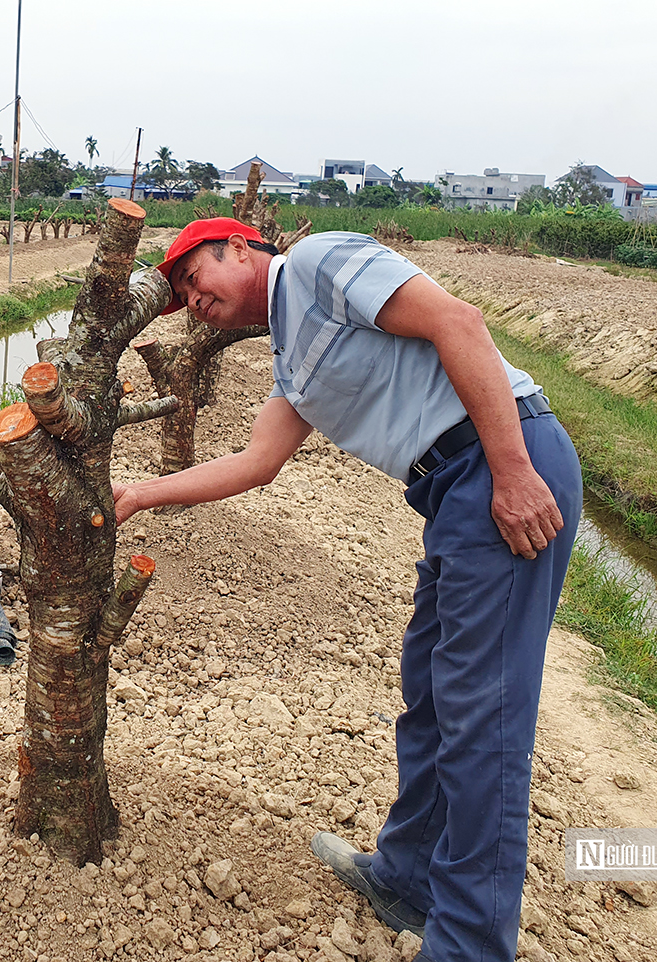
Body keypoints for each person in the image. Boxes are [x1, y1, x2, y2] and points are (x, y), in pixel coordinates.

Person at [112, 219, 582, 962]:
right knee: (432, 694)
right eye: (179, 297)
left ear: (241, 246)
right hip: (451, 492)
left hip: (498, 462)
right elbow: (255, 462)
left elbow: (457, 322)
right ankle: (405, 878)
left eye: (193, 274)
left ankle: (468, 946)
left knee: (483, 717)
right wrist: (137, 493)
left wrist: (514, 470)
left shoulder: (315, 263)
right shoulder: (292, 358)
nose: (191, 297)